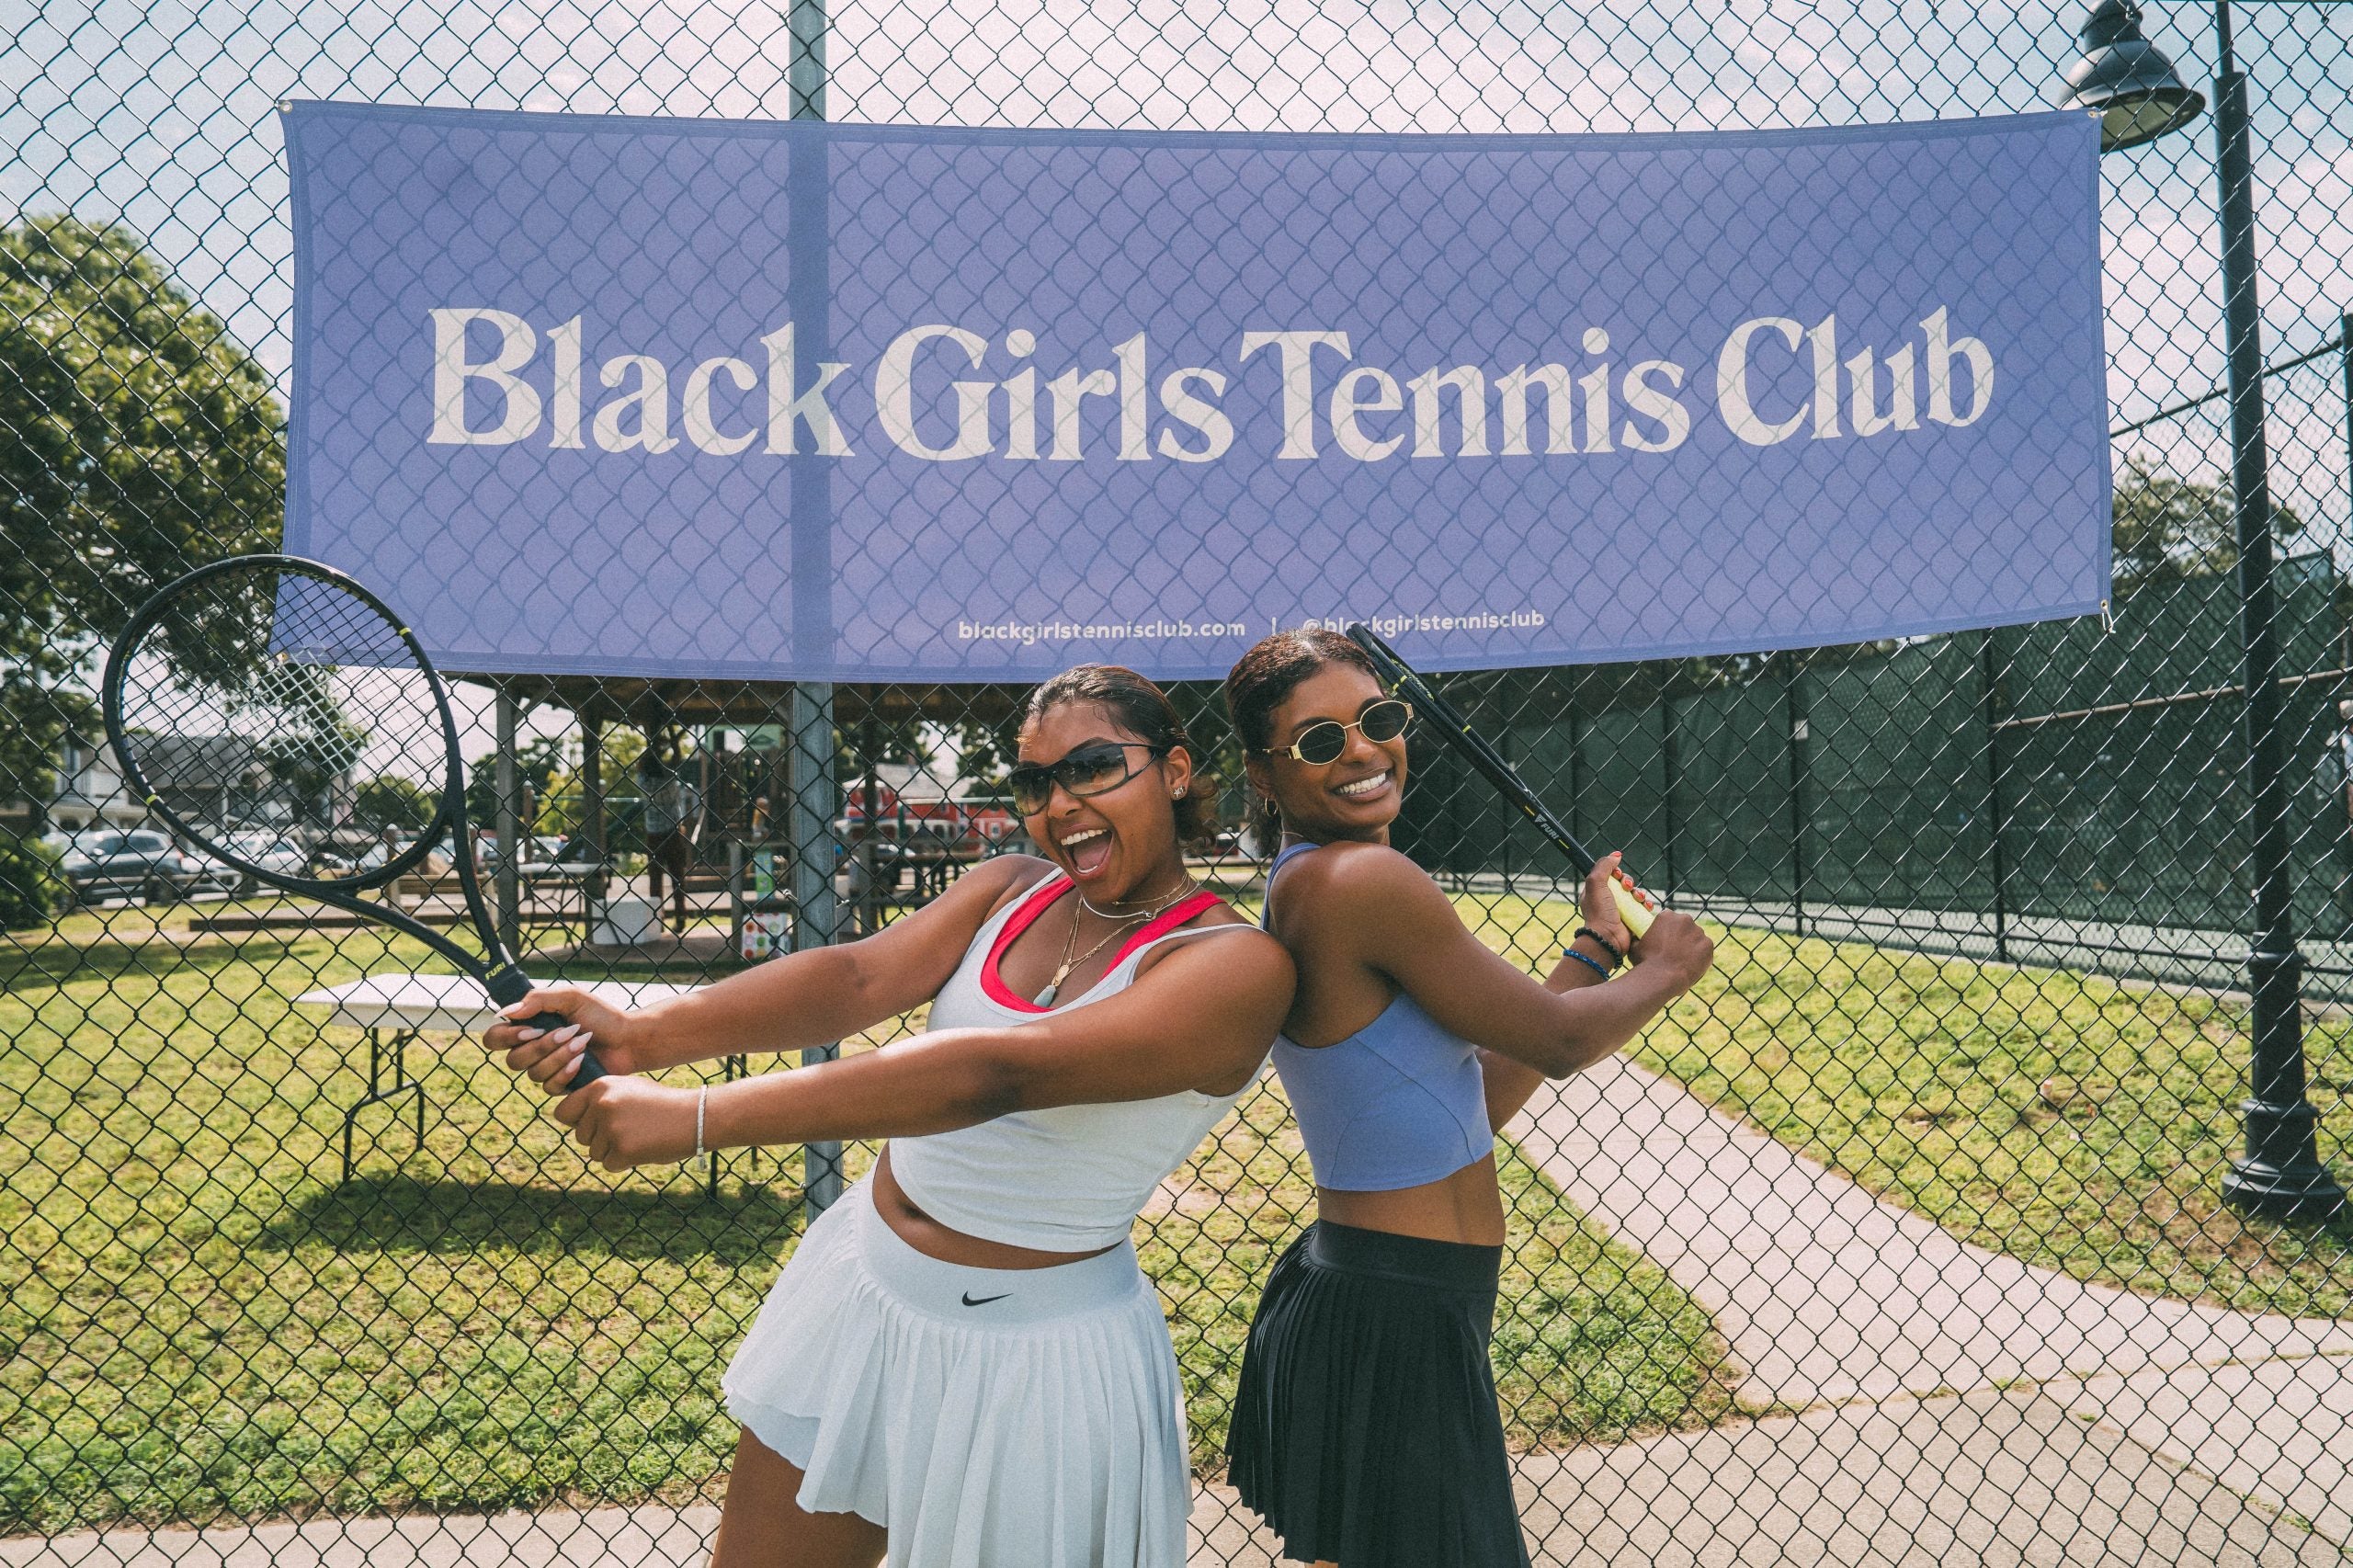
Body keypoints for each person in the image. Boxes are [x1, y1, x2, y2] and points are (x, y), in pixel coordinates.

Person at [482, 665, 1294, 1568]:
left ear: (1175, 769)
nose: (1060, 803)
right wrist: (640, 1032)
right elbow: (857, 976)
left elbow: (992, 1073)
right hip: (865, 1294)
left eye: (1094, 766)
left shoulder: (1234, 964)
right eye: (1034, 782)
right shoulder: (1011, 887)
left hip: (1039, 1365)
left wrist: (694, 1118)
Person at [1221, 629, 1715, 1568]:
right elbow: (1563, 1041)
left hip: (1383, 1295)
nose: (1364, 750)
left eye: (1376, 719)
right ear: (1261, 771)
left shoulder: (1313, 881)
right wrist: (1670, 968)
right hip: (1393, 1309)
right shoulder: (1364, 878)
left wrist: (1595, 949)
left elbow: (1472, 1101)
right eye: (1318, 740)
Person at [640, 741, 704, 932]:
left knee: (655, 879)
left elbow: (641, 765)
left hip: (653, 834)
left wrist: (653, 748)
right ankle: (680, 914)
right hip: (673, 832)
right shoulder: (671, 782)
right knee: (677, 876)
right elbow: (676, 762)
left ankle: (657, 919)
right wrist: (672, 745)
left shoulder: (644, 784)